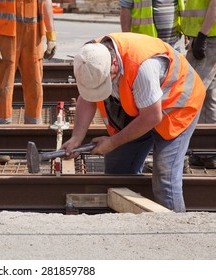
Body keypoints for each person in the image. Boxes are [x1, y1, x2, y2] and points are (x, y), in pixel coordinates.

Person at [62, 33, 206, 212]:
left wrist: (113, 142)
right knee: (117, 168)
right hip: (142, 107)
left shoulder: (143, 67)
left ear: (114, 65)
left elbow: (152, 117)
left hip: (178, 105)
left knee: (165, 176)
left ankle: (174, 229)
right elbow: (87, 97)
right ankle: (133, 218)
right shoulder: (91, 57)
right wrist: (76, 138)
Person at [0, 0, 57, 124]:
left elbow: (46, 2)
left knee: (35, 84)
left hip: (33, 34)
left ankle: (33, 127)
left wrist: (51, 36)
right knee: (3, 85)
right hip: (5, 33)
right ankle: (0, 128)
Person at [181, 0, 216, 168]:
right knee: (209, 95)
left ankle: (183, 153)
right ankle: (207, 152)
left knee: (190, 94)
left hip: (209, 38)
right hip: (206, 36)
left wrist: (202, 36)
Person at [119, 0, 184, 51]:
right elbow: (125, 7)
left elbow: (180, 7)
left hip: (173, 44)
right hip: (145, 46)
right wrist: (127, 39)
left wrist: (184, 31)